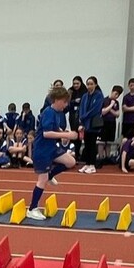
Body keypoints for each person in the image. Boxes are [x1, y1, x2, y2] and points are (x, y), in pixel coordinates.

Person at [26, 86, 77, 220]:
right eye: (64, 102)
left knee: (70, 161)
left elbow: (55, 128)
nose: (66, 105)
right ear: (57, 100)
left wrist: (64, 132)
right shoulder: (48, 112)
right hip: (42, 150)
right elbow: (47, 133)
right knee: (41, 180)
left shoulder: (57, 113)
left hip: (51, 148)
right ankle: (32, 209)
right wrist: (67, 135)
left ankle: (50, 175)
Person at [77, 75, 105, 173]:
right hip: (85, 124)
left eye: (91, 84)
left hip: (93, 124)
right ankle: (87, 164)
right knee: (87, 144)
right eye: (88, 84)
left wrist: (84, 116)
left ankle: (92, 165)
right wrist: (81, 120)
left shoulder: (99, 95)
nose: (89, 86)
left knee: (92, 144)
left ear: (95, 85)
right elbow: (81, 108)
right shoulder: (85, 96)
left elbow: (95, 109)